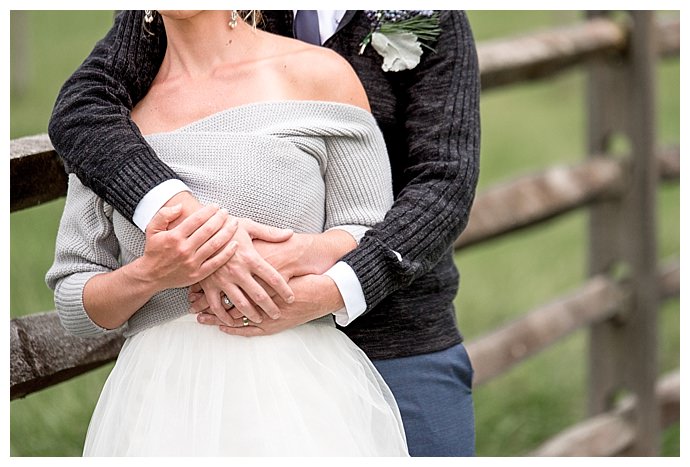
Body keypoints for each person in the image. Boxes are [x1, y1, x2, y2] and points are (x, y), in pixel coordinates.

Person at [49, 10, 481, 456]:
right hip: (164, 397)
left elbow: (441, 185)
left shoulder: (402, 30)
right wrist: (166, 262)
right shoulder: (117, 116)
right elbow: (84, 111)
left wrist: (315, 274)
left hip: (375, 340)